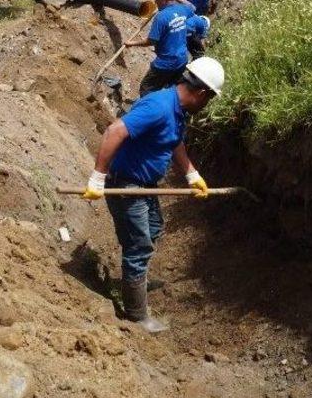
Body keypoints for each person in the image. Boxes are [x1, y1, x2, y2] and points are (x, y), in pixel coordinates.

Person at [82, 56, 225, 333]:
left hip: (144, 185)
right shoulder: (159, 106)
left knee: (155, 227)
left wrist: (191, 174)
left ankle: (134, 277)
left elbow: (174, 141)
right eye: (209, 100)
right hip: (126, 186)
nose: (207, 105)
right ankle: (137, 316)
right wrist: (98, 176)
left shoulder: (177, 109)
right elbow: (115, 130)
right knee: (139, 247)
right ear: (202, 93)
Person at [126, 0, 193, 97]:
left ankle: (150, 112)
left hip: (165, 63)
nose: (155, 1)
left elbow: (151, 41)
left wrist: (131, 43)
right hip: (182, 60)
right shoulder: (182, 9)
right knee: (173, 90)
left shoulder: (161, 17)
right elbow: (192, 7)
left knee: (146, 89)